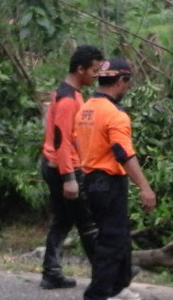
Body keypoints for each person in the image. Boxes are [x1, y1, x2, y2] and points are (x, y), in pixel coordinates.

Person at [75, 57, 157, 300]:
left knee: (119, 238)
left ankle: (119, 288)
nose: (127, 88)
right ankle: (97, 294)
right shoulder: (115, 114)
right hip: (107, 182)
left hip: (90, 179)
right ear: (121, 81)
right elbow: (123, 153)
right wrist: (145, 187)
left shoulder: (86, 109)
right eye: (127, 82)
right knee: (111, 242)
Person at [39, 45, 103, 289]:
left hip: (59, 165)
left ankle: (51, 273)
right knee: (87, 222)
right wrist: (69, 177)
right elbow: (61, 141)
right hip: (62, 167)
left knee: (63, 220)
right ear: (80, 69)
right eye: (94, 71)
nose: (96, 75)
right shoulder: (67, 100)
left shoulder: (72, 93)